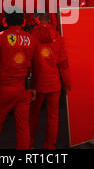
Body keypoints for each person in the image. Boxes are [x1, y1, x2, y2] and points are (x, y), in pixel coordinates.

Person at [0, 10, 38, 148]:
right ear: (23, 21)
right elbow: (35, 67)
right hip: (23, 90)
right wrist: (33, 88)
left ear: (4, 21)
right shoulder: (31, 39)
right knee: (23, 127)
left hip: (3, 89)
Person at [29, 13, 71, 149]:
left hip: (37, 83)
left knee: (33, 115)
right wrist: (67, 84)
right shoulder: (58, 38)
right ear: (49, 20)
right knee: (53, 116)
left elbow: (28, 62)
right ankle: (49, 145)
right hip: (54, 84)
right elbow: (64, 65)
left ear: (38, 20)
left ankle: (29, 143)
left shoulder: (31, 36)